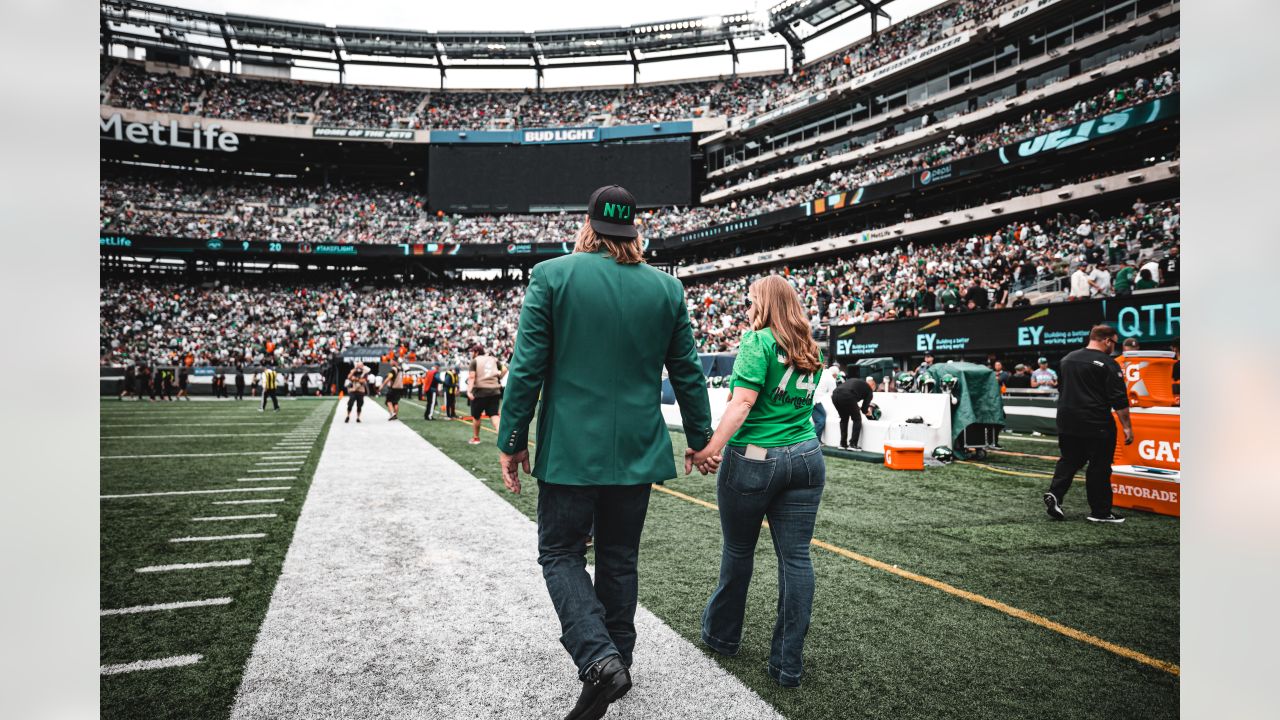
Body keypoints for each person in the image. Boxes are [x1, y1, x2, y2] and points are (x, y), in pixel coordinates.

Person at [498, 185, 713, 720]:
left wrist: (511, 439)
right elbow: (688, 372)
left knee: (561, 554)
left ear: (589, 226)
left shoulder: (552, 276)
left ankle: (599, 660)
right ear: (634, 232)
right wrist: (701, 437)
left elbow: (526, 369)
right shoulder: (667, 290)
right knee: (619, 559)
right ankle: (621, 658)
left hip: (570, 448)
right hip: (637, 447)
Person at [690, 274, 827, 689]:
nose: (748, 306)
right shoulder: (808, 345)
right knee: (797, 559)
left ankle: (722, 635)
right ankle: (788, 663)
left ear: (763, 302)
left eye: (751, 300)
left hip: (756, 457)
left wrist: (710, 447)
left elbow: (743, 402)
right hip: (806, 455)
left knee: (738, 549)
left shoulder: (757, 341)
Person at [1043, 325, 1133, 523]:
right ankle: (1100, 512)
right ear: (1107, 340)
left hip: (1067, 419)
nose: (1114, 347)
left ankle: (1055, 494)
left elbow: (1063, 389)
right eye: (1114, 342)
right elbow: (1119, 399)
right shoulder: (1108, 363)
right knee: (1099, 466)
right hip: (1096, 421)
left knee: (1068, 460)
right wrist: (1127, 427)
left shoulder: (1067, 359)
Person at [467, 345, 506, 445]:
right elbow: (505, 369)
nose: (471, 353)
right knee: (494, 415)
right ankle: (502, 439)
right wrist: (499, 377)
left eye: (472, 351)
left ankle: (476, 438)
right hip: (494, 390)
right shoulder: (493, 359)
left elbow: (472, 377)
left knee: (476, 416)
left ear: (476, 352)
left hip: (480, 391)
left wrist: (469, 391)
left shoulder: (475, 361)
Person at [832, 375, 876, 450]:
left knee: (844, 419)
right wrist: (868, 413)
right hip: (848, 396)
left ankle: (843, 443)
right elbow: (864, 409)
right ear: (872, 385)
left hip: (835, 395)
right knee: (857, 419)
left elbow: (852, 399)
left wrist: (857, 407)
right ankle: (853, 444)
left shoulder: (858, 382)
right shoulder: (869, 390)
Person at [811, 362, 838, 445]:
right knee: (821, 420)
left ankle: (817, 440)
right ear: (835, 374)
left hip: (810, 399)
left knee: (817, 420)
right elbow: (834, 393)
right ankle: (813, 441)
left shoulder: (823, 372)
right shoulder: (831, 378)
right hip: (816, 400)